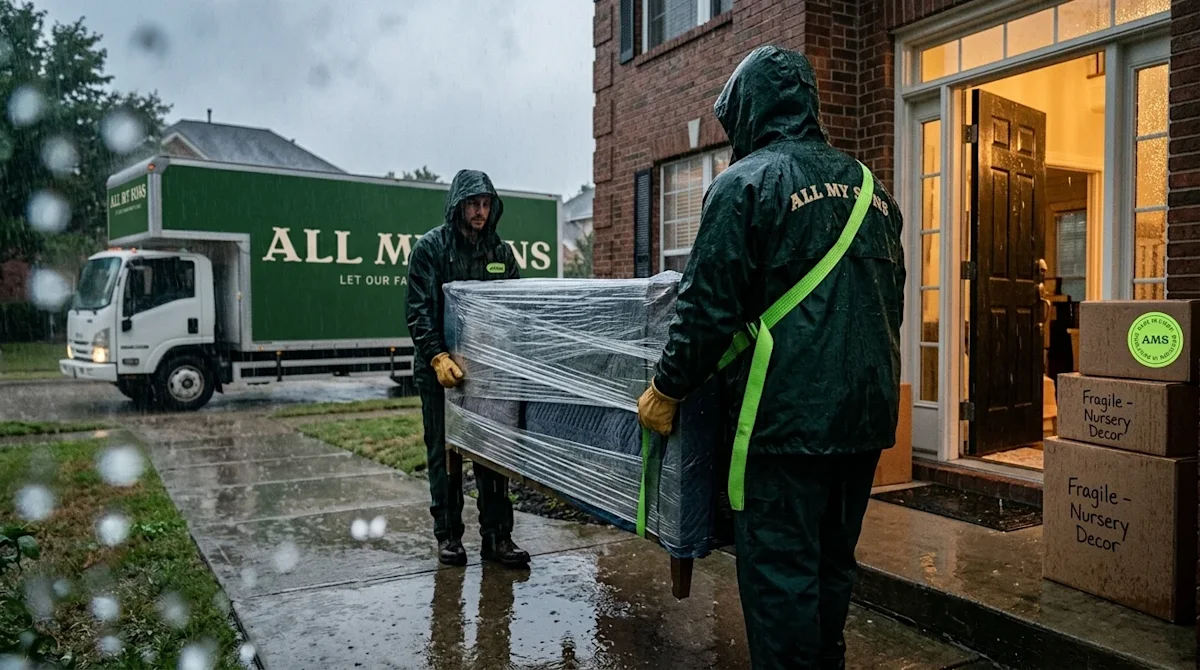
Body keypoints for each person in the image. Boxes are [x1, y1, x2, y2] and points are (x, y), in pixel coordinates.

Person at [637, 46, 905, 670]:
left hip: (782, 426)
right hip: (863, 424)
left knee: (782, 580)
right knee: (832, 569)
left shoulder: (744, 186)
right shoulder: (876, 195)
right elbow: (887, 305)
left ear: (752, 110)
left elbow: (705, 309)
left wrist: (668, 387)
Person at [405, 169, 531, 569]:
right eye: (473, 204)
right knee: (445, 454)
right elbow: (418, 310)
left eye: (486, 204)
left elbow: (514, 311)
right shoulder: (431, 249)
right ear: (459, 205)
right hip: (438, 369)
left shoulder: (500, 253)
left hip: (485, 373)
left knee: (491, 452)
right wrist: (436, 355)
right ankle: (448, 536)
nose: (480, 211)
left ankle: (498, 537)